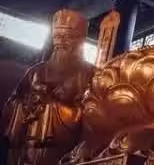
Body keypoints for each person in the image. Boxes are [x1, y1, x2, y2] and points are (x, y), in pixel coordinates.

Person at [2, 9, 94, 165]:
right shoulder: (36, 71)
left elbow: (93, 115)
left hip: (62, 152)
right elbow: (11, 104)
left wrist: (52, 107)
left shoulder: (91, 73)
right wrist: (26, 106)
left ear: (80, 40)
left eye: (67, 37)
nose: (60, 42)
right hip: (23, 150)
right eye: (57, 37)